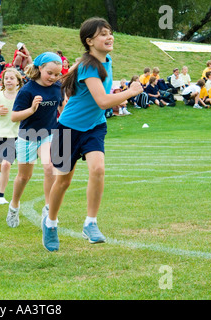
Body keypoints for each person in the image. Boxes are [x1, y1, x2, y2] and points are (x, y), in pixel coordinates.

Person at [46, 18, 143, 252]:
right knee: (63, 181)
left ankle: (91, 223)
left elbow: (98, 100)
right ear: (89, 41)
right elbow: (102, 101)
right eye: (102, 34)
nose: (109, 37)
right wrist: (130, 92)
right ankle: (50, 223)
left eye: (110, 33)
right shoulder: (88, 66)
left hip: (95, 127)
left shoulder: (106, 60)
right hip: (67, 128)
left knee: (98, 169)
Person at [6, 52, 63, 228]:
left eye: (56, 74)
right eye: (50, 73)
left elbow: (61, 107)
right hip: (27, 136)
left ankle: (48, 208)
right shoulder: (27, 90)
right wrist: (31, 109)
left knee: (50, 167)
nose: (53, 77)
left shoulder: (57, 88)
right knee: (24, 176)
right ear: (40, 68)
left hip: (49, 134)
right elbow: (14, 117)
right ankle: (14, 206)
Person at [0, 68, 23, 204]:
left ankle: (0, 195)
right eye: (6, 78)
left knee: (6, 164)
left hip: (14, 135)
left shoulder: (21, 96)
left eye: (12, 78)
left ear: (17, 81)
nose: (8, 80)